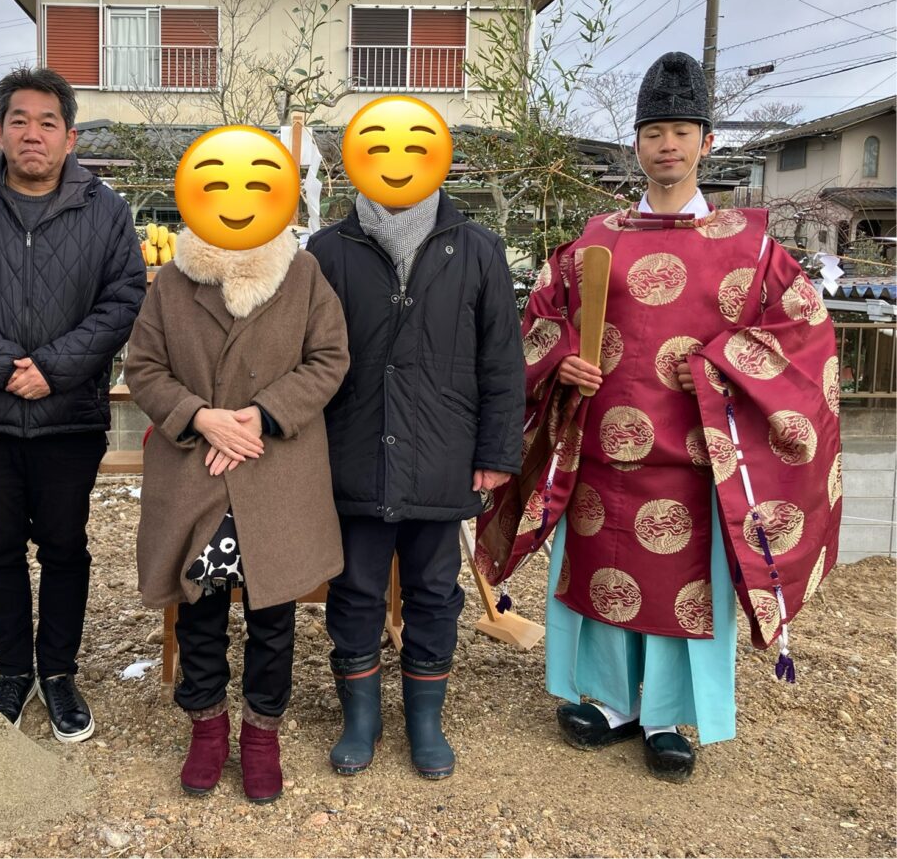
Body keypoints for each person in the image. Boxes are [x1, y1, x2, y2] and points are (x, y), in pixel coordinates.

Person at [476, 52, 842, 782]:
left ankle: (669, 715)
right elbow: (541, 321)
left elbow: (805, 340)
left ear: (708, 142)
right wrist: (559, 365)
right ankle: (609, 700)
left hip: (697, 457)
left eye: (681, 131)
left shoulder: (754, 247)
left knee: (686, 593)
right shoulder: (593, 240)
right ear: (635, 145)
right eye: (653, 132)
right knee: (601, 569)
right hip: (599, 450)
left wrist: (722, 366)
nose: (666, 145)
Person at [0, 66, 145, 737]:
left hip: (69, 416)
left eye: (47, 123)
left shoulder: (107, 211)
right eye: (20, 120)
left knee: (66, 546)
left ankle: (60, 672)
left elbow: (123, 300)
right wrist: (0, 367)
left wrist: (55, 368)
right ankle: (13, 670)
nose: (32, 134)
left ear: (69, 137)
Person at [126, 125, 349, 803]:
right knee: (199, 605)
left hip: (274, 464)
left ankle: (261, 731)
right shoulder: (172, 280)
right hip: (197, 470)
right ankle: (206, 726)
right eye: (219, 185)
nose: (237, 199)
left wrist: (260, 415)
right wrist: (199, 415)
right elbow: (143, 365)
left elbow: (329, 358)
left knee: (273, 611)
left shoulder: (303, 273)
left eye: (256, 185)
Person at [306, 97, 526, 780]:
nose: (396, 163)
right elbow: (305, 354)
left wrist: (495, 452)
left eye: (412, 148)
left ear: (438, 158)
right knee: (355, 587)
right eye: (379, 148)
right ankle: (362, 717)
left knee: (435, 589)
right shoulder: (327, 251)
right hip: (354, 453)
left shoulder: (479, 249)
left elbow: (502, 361)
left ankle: (425, 720)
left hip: (443, 456)